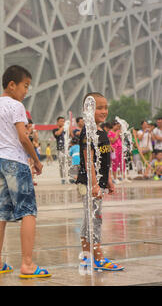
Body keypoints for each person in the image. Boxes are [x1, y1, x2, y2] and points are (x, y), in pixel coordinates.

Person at [0, 65, 50, 279]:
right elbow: (22, 137)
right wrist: (36, 160)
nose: (26, 91)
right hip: (15, 161)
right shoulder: (16, 105)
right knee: (28, 211)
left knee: (0, 213)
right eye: (25, 86)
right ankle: (27, 264)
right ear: (12, 85)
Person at [77, 92, 123, 271]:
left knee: (90, 219)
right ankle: (98, 258)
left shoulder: (101, 130)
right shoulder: (89, 130)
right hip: (89, 183)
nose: (104, 111)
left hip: (97, 182)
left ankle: (87, 257)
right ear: (89, 109)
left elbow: (104, 159)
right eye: (99, 107)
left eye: (105, 107)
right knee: (95, 219)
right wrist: (94, 184)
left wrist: (109, 180)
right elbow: (88, 159)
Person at [53, 116, 67, 184]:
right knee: (61, 164)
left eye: (63, 121)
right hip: (60, 149)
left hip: (68, 149)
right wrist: (63, 127)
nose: (63, 122)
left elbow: (72, 135)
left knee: (70, 163)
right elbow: (57, 134)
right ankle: (63, 178)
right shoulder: (55, 130)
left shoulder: (65, 129)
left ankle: (72, 178)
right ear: (57, 122)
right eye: (61, 121)